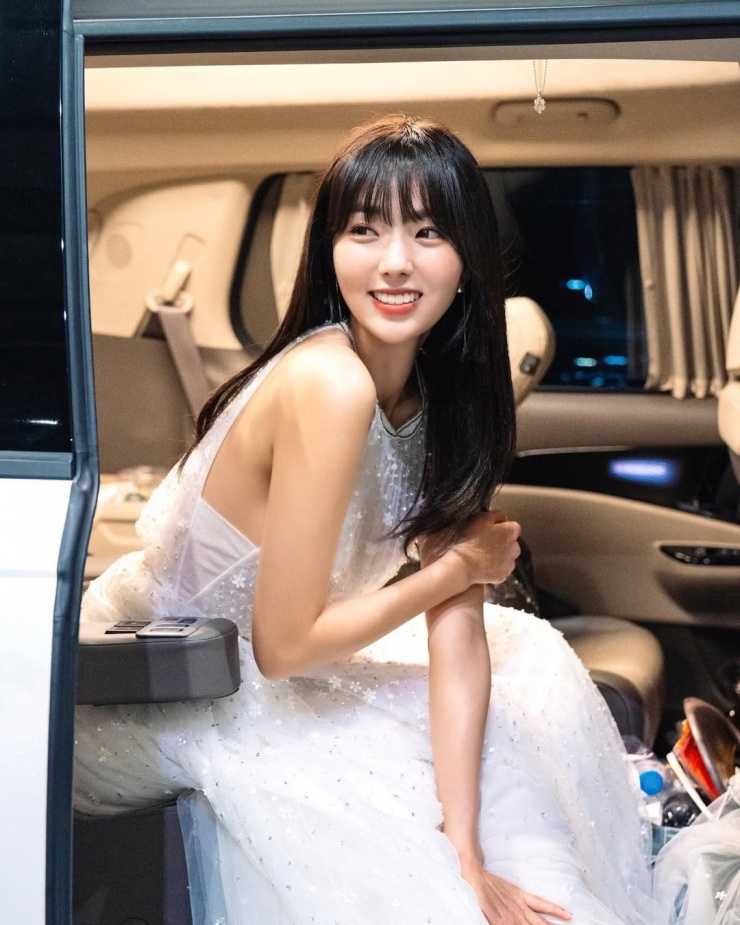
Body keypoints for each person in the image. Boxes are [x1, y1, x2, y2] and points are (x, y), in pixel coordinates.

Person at [75, 115, 661, 925]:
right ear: (329, 249)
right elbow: (283, 648)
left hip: (277, 674)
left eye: (427, 232)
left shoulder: (441, 395)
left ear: (468, 258)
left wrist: (465, 850)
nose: (394, 261)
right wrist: (454, 570)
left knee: (523, 677)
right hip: (164, 690)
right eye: (364, 229)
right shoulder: (330, 383)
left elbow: (458, 623)